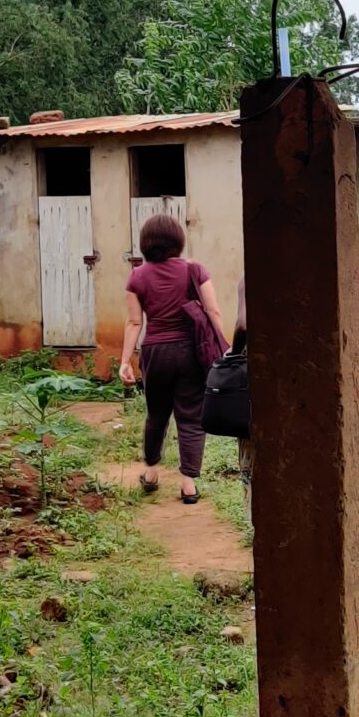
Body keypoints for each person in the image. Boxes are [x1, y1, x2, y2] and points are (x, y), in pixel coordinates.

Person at [118, 213, 226, 505]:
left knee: (156, 414)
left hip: (156, 353)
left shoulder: (137, 276)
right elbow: (213, 311)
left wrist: (125, 361)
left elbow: (134, 323)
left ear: (146, 243)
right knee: (191, 416)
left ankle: (151, 474)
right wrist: (223, 349)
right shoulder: (195, 270)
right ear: (178, 240)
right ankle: (188, 485)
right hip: (191, 351)